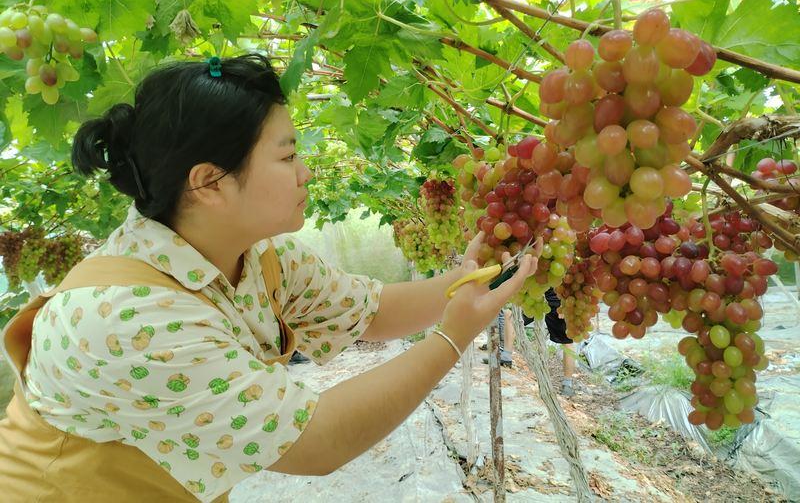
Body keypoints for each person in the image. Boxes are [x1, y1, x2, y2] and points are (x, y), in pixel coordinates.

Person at [0, 54, 538, 503]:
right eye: (288, 155)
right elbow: (319, 441)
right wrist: (451, 338)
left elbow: (373, 310)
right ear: (210, 182)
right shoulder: (125, 318)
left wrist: (471, 278)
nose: (306, 171)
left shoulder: (261, 259)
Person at [481, 288, 576, 396]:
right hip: (537, 294)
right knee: (511, 316)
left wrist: (565, 302)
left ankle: (567, 383)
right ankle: (506, 355)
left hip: (558, 299)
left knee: (567, 340)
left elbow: (569, 275)